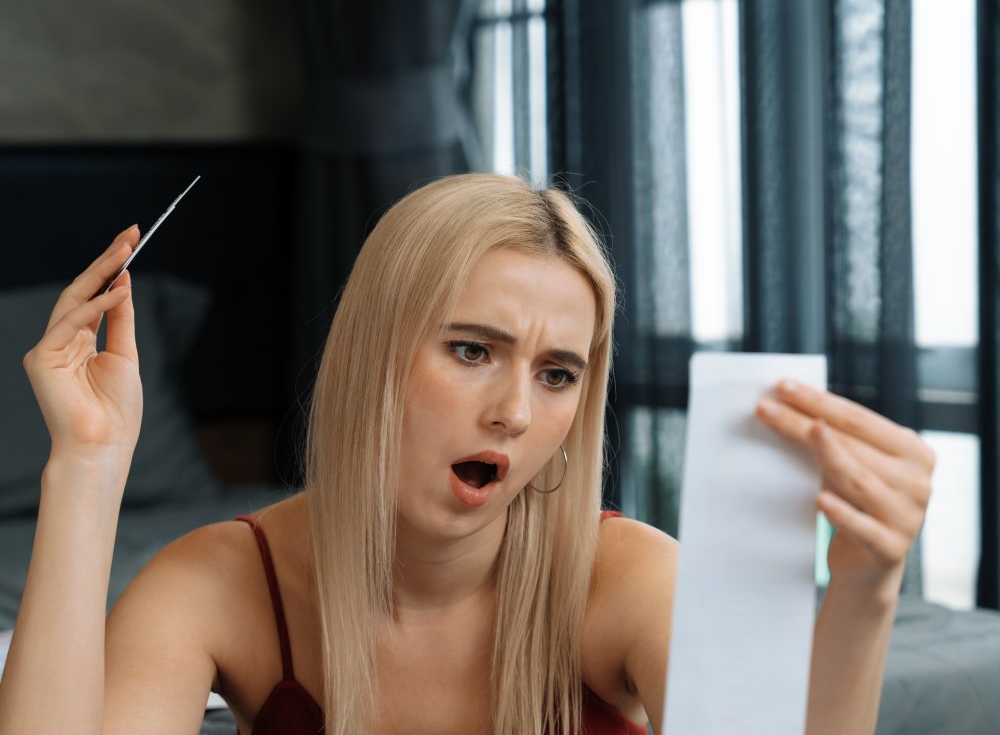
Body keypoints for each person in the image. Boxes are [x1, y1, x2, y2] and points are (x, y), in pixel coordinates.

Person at [0, 173, 934, 734]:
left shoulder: (627, 579)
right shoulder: (219, 582)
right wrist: (86, 466)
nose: (516, 412)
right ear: (371, 354)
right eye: (472, 350)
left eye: (559, 373)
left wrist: (864, 592)